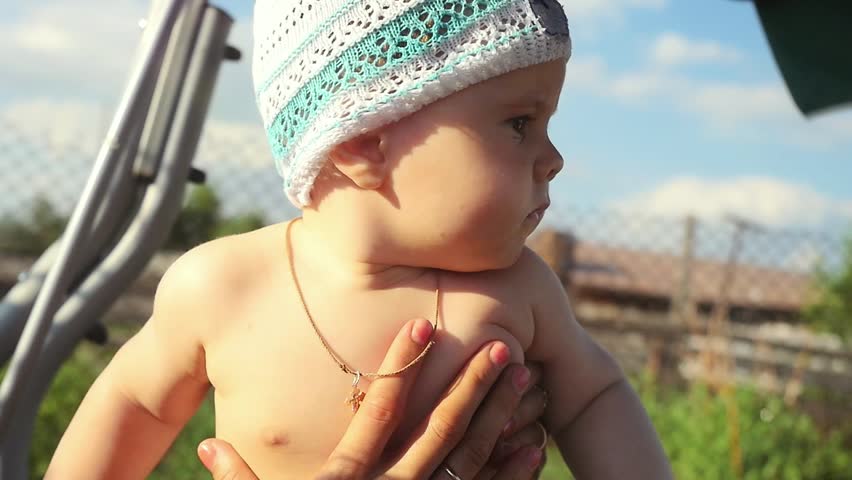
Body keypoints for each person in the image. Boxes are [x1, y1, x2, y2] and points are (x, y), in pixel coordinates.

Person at [48, 0, 673, 478]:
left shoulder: (521, 291)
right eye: (519, 123)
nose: (554, 158)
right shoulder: (223, 286)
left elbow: (596, 397)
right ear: (362, 143)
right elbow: (135, 400)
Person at [198, 321, 551, 479]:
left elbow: (594, 394)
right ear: (361, 163)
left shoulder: (526, 282)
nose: (554, 165)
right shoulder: (220, 277)